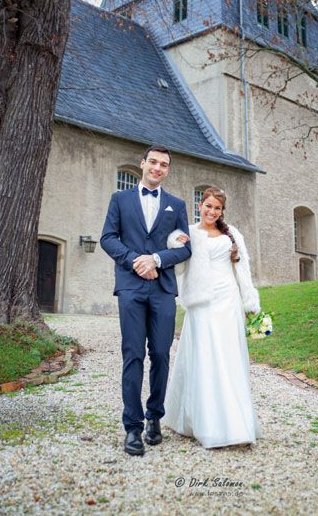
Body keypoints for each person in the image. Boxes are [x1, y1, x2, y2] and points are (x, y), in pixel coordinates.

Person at [100, 145, 191, 456]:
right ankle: (133, 427)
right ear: (142, 164)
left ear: (167, 169)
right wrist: (135, 261)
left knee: (162, 354)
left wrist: (156, 259)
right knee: (133, 354)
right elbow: (108, 238)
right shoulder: (120, 199)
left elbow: (184, 249)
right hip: (130, 287)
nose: (157, 168)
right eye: (153, 162)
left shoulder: (176, 205)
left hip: (163, 289)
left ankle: (155, 417)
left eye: (163, 164)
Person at [163, 186, 262, 448]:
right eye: (208, 206)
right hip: (201, 302)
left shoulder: (232, 235)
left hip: (228, 299)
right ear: (200, 205)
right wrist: (175, 244)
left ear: (221, 211)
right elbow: (180, 268)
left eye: (217, 208)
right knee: (205, 355)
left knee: (228, 356)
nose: (211, 211)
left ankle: (236, 423)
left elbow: (243, 270)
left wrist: (249, 300)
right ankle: (203, 422)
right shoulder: (190, 233)